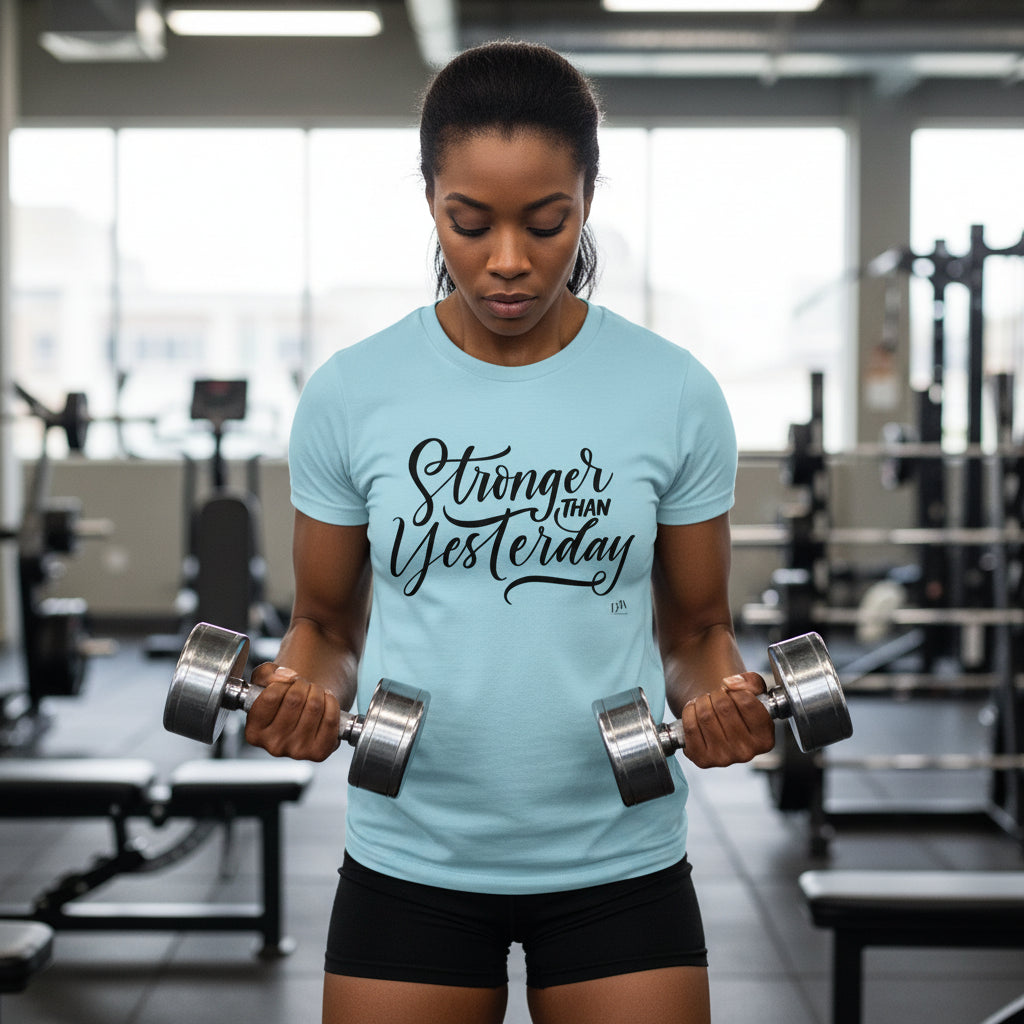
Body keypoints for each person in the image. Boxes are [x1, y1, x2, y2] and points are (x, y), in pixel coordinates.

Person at [244, 40, 776, 1024]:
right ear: (430, 201)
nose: (507, 261)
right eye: (469, 222)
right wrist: (303, 697)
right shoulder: (353, 391)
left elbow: (699, 632)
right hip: (413, 854)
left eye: (545, 223)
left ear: (587, 199)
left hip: (618, 858)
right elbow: (324, 624)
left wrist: (719, 705)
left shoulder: (673, 391)